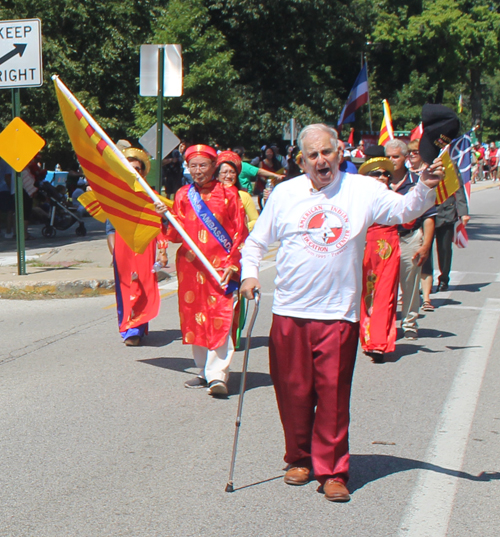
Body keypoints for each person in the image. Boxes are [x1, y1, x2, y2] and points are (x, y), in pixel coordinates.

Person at [240, 123, 444, 502]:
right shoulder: (284, 194)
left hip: (338, 313)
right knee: (293, 392)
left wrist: (426, 185)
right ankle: (299, 458)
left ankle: (333, 470)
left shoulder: (363, 189)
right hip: (290, 310)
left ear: (340, 154)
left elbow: (405, 210)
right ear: (302, 161)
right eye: (313, 155)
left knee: (333, 394)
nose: (322, 161)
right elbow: (255, 244)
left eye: (327, 152)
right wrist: (249, 276)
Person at [155, 144, 248, 396]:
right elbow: (175, 234)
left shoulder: (229, 195)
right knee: (195, 318)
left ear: (213, 166)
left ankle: (218, 374)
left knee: (220, 316)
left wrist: (233, 263)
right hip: (190, 267)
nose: (198, 171)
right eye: (193, 166)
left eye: (203, 165)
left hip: (220, 268)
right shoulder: (183, 195)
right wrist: (166, 217)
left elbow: (241, 233)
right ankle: (203, 370)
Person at [108, 147, 168, 346]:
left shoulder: (151, 195)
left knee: (143, 286)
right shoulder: (116, 194)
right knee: (125, 286)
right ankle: (127, 327)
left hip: (145, 246)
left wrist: (162, 250)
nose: (134, 172)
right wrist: (113, 252)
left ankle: (137, 327)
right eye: (130, 168)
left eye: (138, 168)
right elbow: (110, 227)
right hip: (124, 246)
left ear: (143, 172)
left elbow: (158, 225)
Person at [385, 139, 436, 339]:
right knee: (382, 286)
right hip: (383, 241)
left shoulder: (417, 182)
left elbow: (429, 216)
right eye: (388, 156)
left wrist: (425, 246)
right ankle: (383, 325)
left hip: (408, 238)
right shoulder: (378, 181)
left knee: (410, 285)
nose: (391, 160)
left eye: (395, 156)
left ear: (406, 158)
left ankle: (409, 324)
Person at [358, 147, 400, 363]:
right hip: (366, 246)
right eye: (376, 173)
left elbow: (410, 218)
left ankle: (378, 343)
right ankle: (370, 340)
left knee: (385, 295)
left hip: (389, 245)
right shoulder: (358, 197)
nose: (382, 177)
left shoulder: (393, 196)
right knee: (368, 293)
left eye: (386, 174)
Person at [216, 151, 259, 231]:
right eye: (225, 172)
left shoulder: (243, 196)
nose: (228, 176)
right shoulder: (210, 195)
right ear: (217, 176)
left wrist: (240, 229)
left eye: (232, 172)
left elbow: (255, 220)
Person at [0, 157, 15, 239]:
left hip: (1, 188)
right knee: (10, 210)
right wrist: (11, 189)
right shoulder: (7, 161)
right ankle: (9, 231)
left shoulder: (2, 161)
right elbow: (7, 177)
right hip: (5, 189)